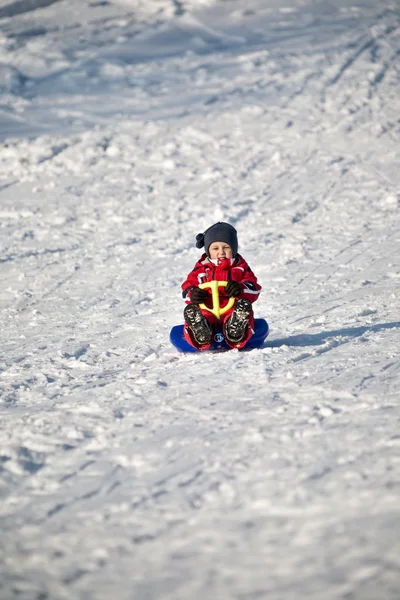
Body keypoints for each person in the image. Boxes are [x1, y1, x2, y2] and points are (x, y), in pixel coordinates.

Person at [181, 222, 261, 350]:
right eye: (215, 248)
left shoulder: (240, 267)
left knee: (241, 311)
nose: (221, 252)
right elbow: (187, 288)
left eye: (226, 247)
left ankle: (235, 330)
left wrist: (240, 288)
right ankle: (200, 330)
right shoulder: (201, 269)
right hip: (207, 307)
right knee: (200, 313)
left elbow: (254, 287)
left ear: (233, 248)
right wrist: (193, 294)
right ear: (208, 250)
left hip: (231, 308)